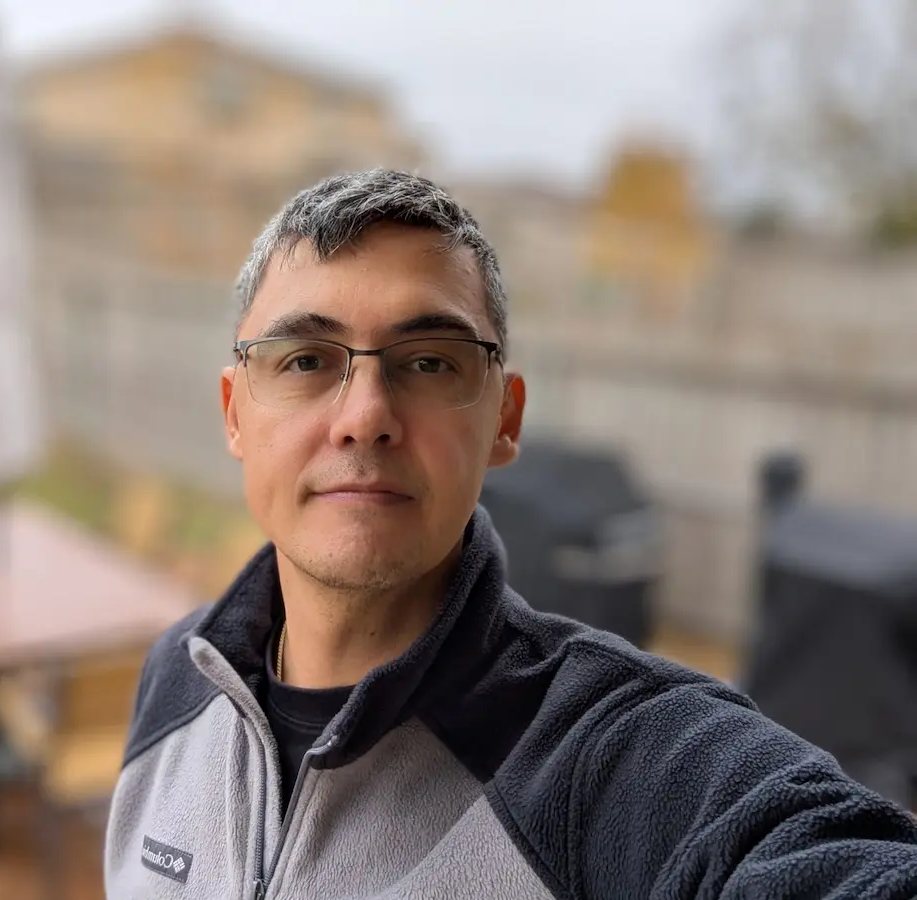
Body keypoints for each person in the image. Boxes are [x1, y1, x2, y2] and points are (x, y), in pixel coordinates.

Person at [104, 169, 917, 898]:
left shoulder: (605, 762)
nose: (365, 417)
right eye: (306, 360)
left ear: (505, 418)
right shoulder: (177, 677)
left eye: (430, 362)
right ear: (234, 413)